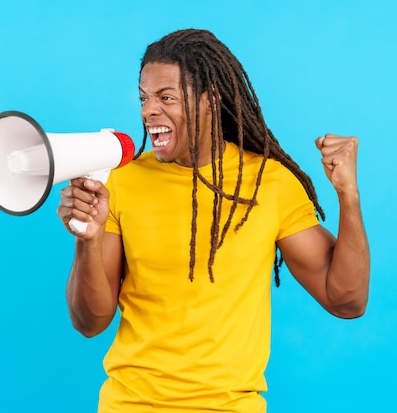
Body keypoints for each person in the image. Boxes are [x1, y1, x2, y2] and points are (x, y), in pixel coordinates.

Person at [57, 29, 370, 413]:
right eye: (144, 98)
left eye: (165, 97)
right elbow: (90, 322)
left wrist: (348, 197)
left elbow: (347, 300)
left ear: (211, 99)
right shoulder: (121, 182)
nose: (147, 111)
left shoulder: (268, 184)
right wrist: (86, 239)